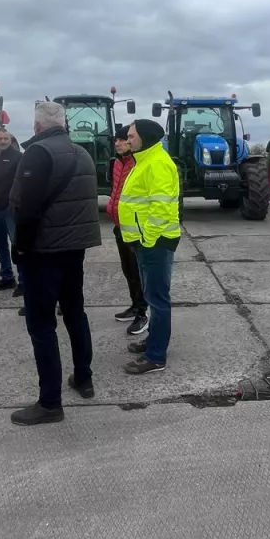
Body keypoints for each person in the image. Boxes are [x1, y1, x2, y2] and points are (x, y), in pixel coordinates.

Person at [8, 101, 102, 426]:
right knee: (75, 313)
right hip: (75, 251)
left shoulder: (38, 154)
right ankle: (83, 378)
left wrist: (19, 248)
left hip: (43, 253)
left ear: (36, 126)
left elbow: (27, 209)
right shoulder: (83, 153)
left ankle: (50, 403)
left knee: (42, 326)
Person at [118, 119, 180, 375]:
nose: (128, 139)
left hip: (154, 242)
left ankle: (156, 357)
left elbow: (162, 207)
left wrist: (147, 239)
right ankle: (153, 341)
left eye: (132, 135)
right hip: (145, 242)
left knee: (158, 299)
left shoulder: (157, 163)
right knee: (152, 296)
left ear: (144, 137)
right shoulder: (144, 160)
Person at [107, 124, 148, 335]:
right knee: (128, 270)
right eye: (116, 140)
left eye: (122, 139)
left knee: (138, 271)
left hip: (134, 227)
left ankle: (143, 313)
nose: (118, 143)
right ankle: (134, 305)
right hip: (118, 225)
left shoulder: (138, 164)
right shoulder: (116, 164)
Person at [0, 127, 23, 293]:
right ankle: (7, 277)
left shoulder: (18, 157)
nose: (3, 142)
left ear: (10, 140)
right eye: (0, 139)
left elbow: (21, 182)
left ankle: (23, 281)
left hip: (11, 209)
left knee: (17, 244)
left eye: (6, 139)